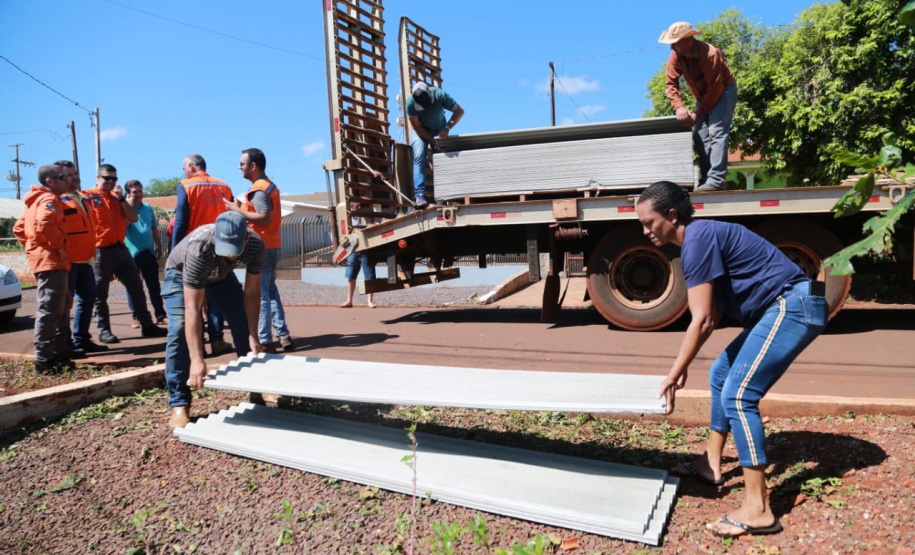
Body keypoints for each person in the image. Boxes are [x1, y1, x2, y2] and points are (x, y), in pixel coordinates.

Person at [635, 180, 827, 539]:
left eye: (649, 223)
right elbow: (714, 312)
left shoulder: (697, 240)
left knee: (740, 395)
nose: (645, 231)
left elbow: (703, 318)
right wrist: (684, 366)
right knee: (722, 373)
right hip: (787, 305)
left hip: (793, 304)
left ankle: (758, 509)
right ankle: (711, 464)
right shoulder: (701, 238)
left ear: (672, 215)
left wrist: (675, 371)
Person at [161, 212, 265, 428]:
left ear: (246, 238)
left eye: (234, 251)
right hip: (180, 273)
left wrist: (253, 335)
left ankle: (257, 389)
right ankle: (179, 403)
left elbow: (252, 293)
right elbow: (193, 309)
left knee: (242, 322)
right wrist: (197, 359)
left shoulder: (256, 245)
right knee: (179, 328)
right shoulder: (200, 248)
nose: (231, 256)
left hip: (221, 276)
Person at [84, 164, 167, 343]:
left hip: (120, 249)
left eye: (114, 179)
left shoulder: (117, 198)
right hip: (99, 250)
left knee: (136, 287)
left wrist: (121, 199)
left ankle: (147, 325)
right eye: (107, 178)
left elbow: (133, 217)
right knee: (100, 294)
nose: (111, 182)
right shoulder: (88, 196)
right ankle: (104, 330)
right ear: (98, 178)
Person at [223, 148, 293, 352]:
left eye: (242, 164)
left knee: (259, 295)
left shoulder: (259, 189)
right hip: (272, 245)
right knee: (270, 292)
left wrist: (236, 210)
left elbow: (263, 217)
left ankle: (265, 340)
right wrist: (242, 208)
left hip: (262, 247)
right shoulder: (269, 186)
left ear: (253, 166)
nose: (239, 167)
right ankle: (283, 335)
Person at [659, 21, 738, 192]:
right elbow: (670, 83)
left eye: (676, 41)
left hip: (723, 92)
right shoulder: (676, 53)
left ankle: (716, 180)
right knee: (700, 134)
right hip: (703, 96)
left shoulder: (709, 54)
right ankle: (707, 178)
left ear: (688, 40)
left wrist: (697, 113)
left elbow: (715, 89)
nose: (672, 46)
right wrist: (679, 107)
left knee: (716, 132)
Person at [13, 164, 73, 373]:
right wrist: (55, 246)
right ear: (50, 181)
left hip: (50, 260)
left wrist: (33, 248)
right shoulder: (48, 200)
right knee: (51, 309)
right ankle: (44, 361)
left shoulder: (34, 202)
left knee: (61, 306)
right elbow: (44, 224)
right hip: (51, 260)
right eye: (64, 176)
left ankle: (58, 353)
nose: (68, 180)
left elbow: (19, 228)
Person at [173, 153, 235, 355]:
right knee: (216, 296)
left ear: (191, 167)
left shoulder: (186, 186)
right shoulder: (224, 186)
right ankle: (217, 340)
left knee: (194, 297)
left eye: (184, 168)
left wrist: (175, 250)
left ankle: (198, 342)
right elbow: (232, 215)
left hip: (195, 248)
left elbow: (181, 221)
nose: (184, 172)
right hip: (220, 247)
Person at [56, 160, 108, 357]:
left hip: (86, 259)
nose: (75, 177)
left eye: (75, 173)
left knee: (87, 300)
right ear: (60, 178)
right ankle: (65, 344)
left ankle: (82, 340)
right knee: (64, 304)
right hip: (68, 262)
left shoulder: (83, 198)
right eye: (69, 174)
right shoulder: (57, 199)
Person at [406, 82, 464, 207]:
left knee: (440, 159)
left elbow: (460, 111)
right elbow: (416, 127)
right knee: (419, 154)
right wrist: (433, 142)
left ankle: (441, 198)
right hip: (420, 130)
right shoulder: (411, 104)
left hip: (439, 129)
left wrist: (447, 128)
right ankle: (420, 195)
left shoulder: (440, 95)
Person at [124, 180, 167, 328]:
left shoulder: (147, 208)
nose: (138, 195)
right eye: (134, 192)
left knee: (154, 285)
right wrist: (128, 207)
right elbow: (122, 227)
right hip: (131, 254)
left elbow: (154, 228)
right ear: (128, 194)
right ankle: (136, 317)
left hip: (148, 252)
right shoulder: (123, 208)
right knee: (133, 287)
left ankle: (160, 315)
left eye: (140, 191)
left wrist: (159, 246)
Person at [340, 200, 376, 309]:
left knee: (369, 276)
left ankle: (370, 301)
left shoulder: (367, 215)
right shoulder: (349, 217)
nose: (359, 207)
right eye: (357, 205)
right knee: (351, 276)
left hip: (366, 248)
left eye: (360, 205)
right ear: (352, 205)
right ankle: (349, 300)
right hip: (353, 249)